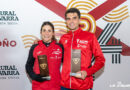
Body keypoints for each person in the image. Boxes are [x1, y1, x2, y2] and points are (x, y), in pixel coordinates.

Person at [60, 8, 105, 90]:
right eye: (68, 19)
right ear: (66, 21)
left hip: (83, 85)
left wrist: (87, 72)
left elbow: (101, 60)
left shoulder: (90, 37)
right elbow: (57, 55)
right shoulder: (63, 38)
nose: (71, 21)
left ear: (79, 20)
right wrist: (39, 43)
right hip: (64, 85)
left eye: (74, 18)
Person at [25, 21, 63, 90]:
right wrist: (34, 76)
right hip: (38, 87)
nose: (46, 33)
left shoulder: (60, 47)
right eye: (44, 30)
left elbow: (68, 64)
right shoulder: (35, 47)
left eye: (49, 31)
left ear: (53, 33)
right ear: (41, 32)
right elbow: (28, 66)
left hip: (55, 87)